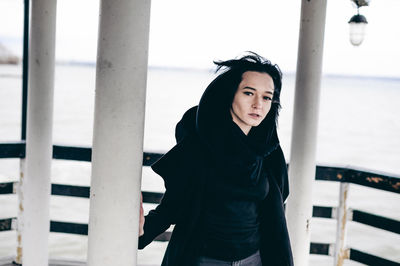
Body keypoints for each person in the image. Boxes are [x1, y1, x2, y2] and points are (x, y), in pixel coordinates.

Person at [138, 52, 293, 266]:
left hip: (255, 259)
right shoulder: (198, 147)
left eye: (267, 97)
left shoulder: (269, 151)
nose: (258, 104)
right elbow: (172, 207)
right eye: (249, 93)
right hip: (204, 259)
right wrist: (141, 228)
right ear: (229, 94)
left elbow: (276, 208)